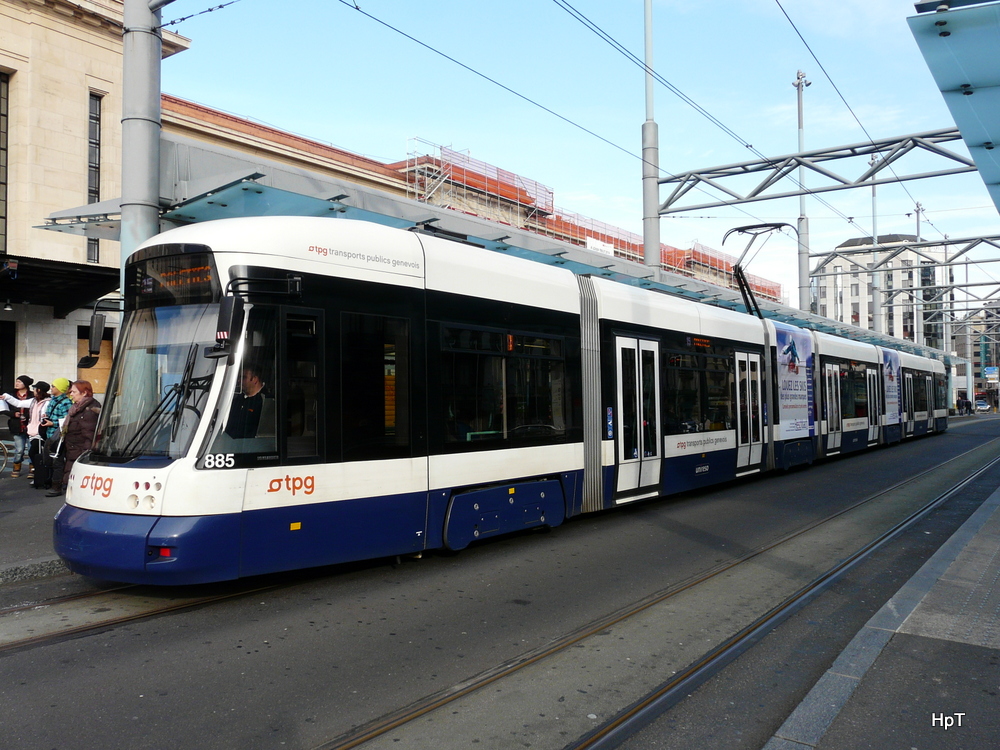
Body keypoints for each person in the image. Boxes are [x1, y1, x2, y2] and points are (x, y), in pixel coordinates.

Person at [47, 380, 101, 498]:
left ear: (84, 393)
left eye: (74, 392)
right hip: (72, 450)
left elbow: (90, 437)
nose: (71, 394)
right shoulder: (76, 407)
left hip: (79, 454)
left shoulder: (89, 411)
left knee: (79, 492)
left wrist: (85, 457)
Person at [1, 381, 49, 486]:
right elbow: (18, 403)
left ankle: (39, 475)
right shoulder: (33, 401)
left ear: (39, 390)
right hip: (32, 432)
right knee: (34, 453)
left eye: (35, 388)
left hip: (41, 432)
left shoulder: (48, 402)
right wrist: (6, 397)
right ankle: (38, 475)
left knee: (35, 453)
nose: (34, 390)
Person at [41, 378, 74, 497]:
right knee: (48, 459)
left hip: (58, 436)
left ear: (60, 388)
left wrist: (52, 423)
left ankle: (57, 486)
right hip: (50, 435)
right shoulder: (53, 400)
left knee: (58, 462)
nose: (51, 388)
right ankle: (53, 481)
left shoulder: (66, 403)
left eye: (53, 386)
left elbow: (66, 421)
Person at [225, 366, 266, 439]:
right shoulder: (235, 398)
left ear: (255, 379)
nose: (239, 381)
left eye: (243, 377)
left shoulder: (266, 401)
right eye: (239, 377)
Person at [4, 376, 33, 477]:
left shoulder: (32, 395)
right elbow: (5, 409)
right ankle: (16, 466)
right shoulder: (11, 395)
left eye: (19, 382)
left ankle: (32, 468)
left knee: (31, 448)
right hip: (16, 425)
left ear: (25, 384)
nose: (16, 383)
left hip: (29, 425)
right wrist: (13, 414)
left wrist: (27, 416)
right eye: (16, 381)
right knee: (19, 449)